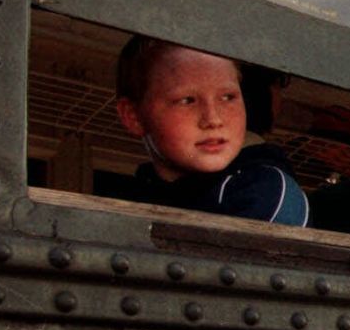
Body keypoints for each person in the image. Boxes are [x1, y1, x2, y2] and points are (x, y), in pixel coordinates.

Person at [113, 36, 309, 226]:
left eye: (227, 97)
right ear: (134, 117)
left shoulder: (267, 191)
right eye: (187, 100)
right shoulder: (139, 198)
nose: (213, 119)